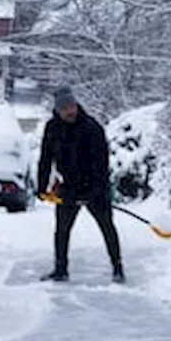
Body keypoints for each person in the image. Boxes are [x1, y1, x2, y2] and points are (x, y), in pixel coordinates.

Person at [36, 86, 124, 283]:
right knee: (62, 230)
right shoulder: (52, 128)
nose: (70, 111)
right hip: (68, 187)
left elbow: (101, 163)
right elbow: (45, 158)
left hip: (94, 186)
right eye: (65, 108)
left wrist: (96, 190)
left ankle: (118, 267)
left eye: (72, 106)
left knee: (107, 227)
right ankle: (60, 269)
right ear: (58, 110)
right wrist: (41, 186)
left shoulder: (92, 127)